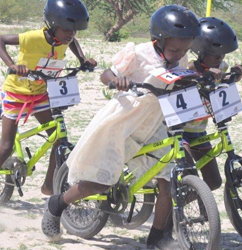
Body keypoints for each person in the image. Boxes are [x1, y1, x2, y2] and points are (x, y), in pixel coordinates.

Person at [41, 5, 200, 248]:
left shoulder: (179, 55)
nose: (180, 55)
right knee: (101, 181)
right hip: (123, 121)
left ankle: (157, 238)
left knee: (168, 179)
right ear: (159, 39)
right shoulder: (138, 54)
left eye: (185, 50)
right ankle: (57, 204)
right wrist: (117, 80)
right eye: (176, 49)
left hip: (154, 123)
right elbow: (106, 74)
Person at [0, 0, 97, 215]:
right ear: (52, 24)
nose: (71, 34)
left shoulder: (64, 39)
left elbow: (72, 43)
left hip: (41, 94)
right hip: (16, 94)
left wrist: (82, 59)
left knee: (58, 140)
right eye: (67, 29)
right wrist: (12, 65)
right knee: (6, 146)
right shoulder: (32, 37)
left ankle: (48, 185)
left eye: (74, 30)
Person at [184, 17, 242, 191]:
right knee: (188, 175)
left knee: (214, 183)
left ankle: (193, 204)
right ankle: (172, 212)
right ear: (201, 52)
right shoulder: (190, 69)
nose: (219, 59)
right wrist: (205, 73)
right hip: (180, 133)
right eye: (215, 55)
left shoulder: (222, 66)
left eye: (222, 54)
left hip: (199, 131)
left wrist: (235, 76)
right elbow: (193, 76)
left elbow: (222, 80)